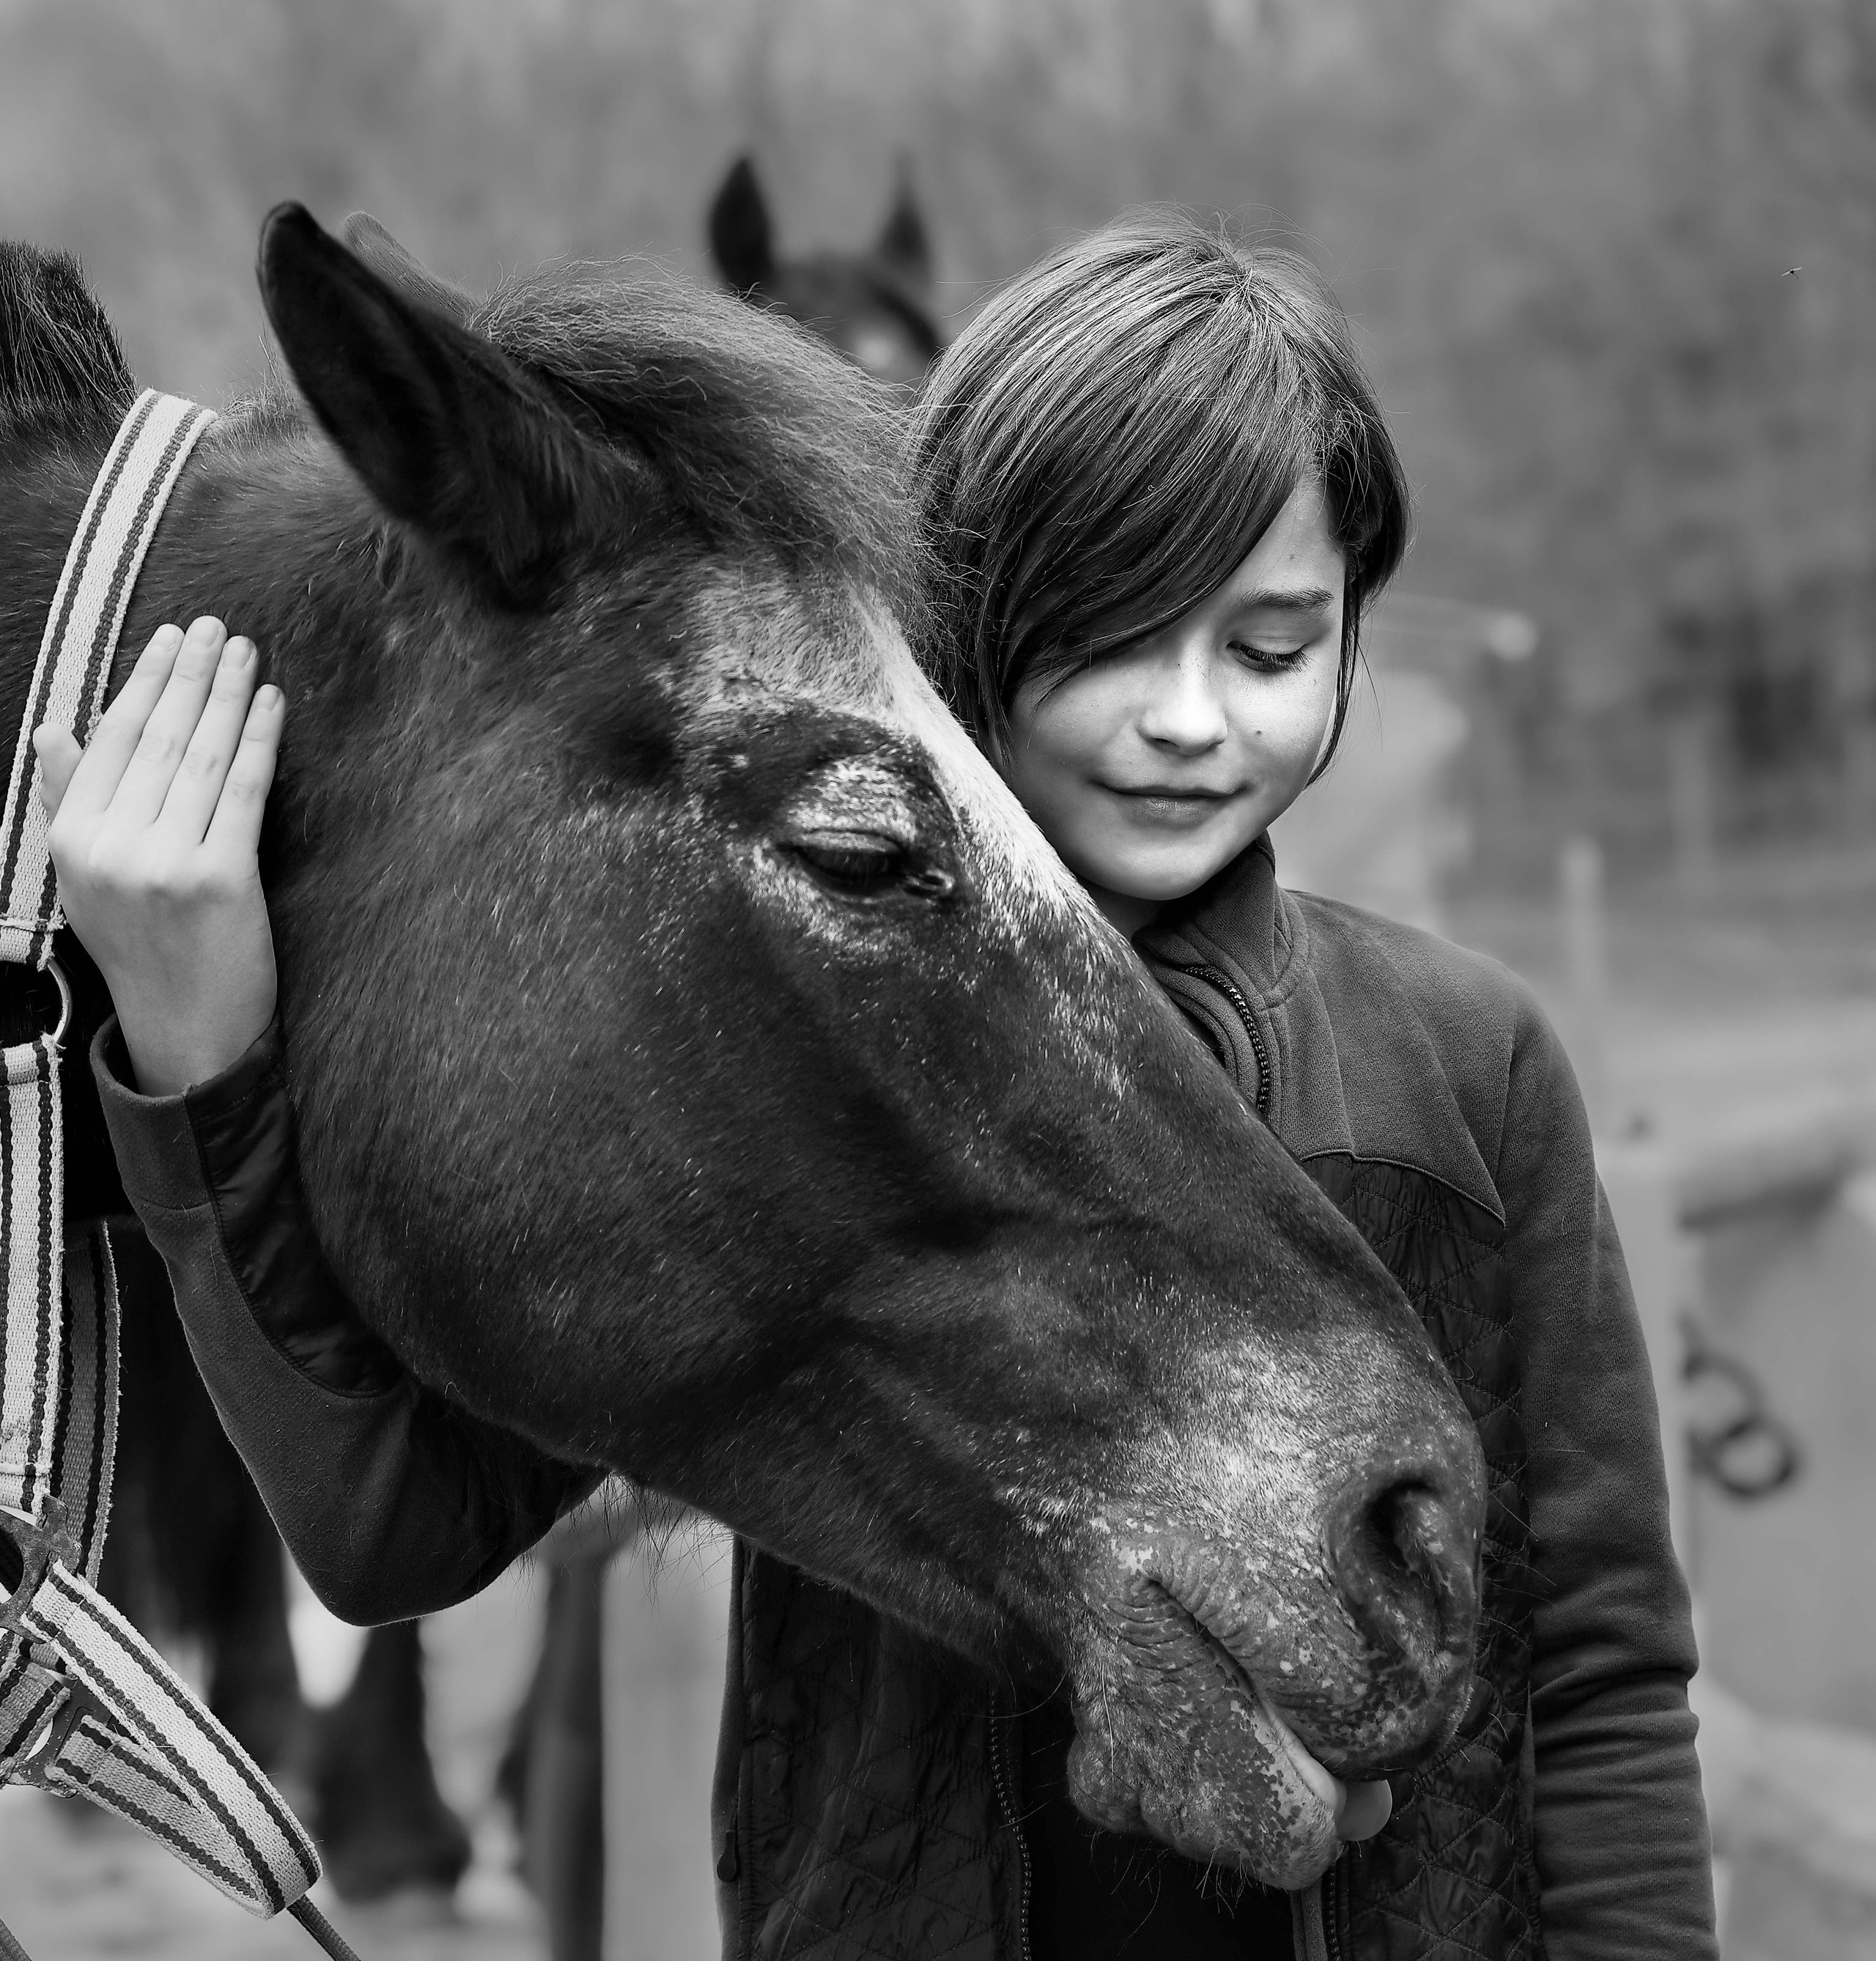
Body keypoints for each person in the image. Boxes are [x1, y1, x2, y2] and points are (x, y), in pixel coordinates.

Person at [40, 215, 1714, 1959]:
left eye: (1273, 652)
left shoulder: (1462, 1055)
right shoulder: (763, 1045)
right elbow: (386, 1531)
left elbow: (1592, 1662)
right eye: (1109, 644)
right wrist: (199, 1059)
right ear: (955, 628)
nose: (1190, 721)